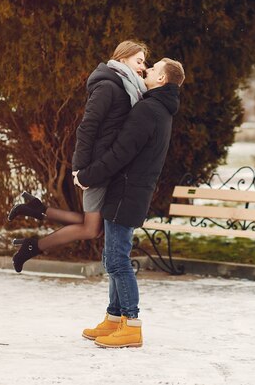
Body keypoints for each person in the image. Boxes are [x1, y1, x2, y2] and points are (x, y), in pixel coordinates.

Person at [8, 40, 148, 273]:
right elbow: (87, 127)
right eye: (139, 61)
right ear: (123, 59)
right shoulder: (109, 87)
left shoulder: (126, 88)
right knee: (91, 229)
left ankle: (38, 209)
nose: (143, 67)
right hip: (96, 168)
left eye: (145, 63)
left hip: (107, 167)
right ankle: (33, 246)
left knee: (96, 226)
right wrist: (80, 169)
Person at [74, 57, 185, 348]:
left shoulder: (148, 110)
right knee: (112, 258)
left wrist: (87, 176)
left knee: (118, 260)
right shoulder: (159, 109)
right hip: (129, 192)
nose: (147, 70)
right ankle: (113, 318)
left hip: (127, 193)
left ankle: (132, 324)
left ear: (162, 79)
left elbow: (120, 153)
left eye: (154, 68)